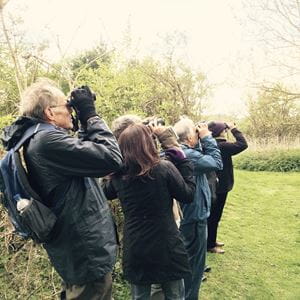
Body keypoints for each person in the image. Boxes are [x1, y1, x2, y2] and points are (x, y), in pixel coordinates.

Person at [2, 78, 123, 299]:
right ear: (49, 112)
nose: (70, 110)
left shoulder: (37, 138)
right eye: (67, 106)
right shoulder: (46, 140)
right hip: (85, 251)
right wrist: (91, 115)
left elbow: (87, 156)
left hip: (77, 248)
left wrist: (83, 122)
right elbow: (111, 159)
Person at [102, 123, 196, 300]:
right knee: (175, 296)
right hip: (167, 244)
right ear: (149, 143)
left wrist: (111, 165)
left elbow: (104, 192)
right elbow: (188, 195)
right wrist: (184, 163)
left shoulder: (119, 177)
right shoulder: (163, 168)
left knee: (140, 297)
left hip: (137, 246)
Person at [173, 118, 223, 300]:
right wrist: (208, 138)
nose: (198, 134)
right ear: (188, 137)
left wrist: (201, 139)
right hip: (193, 217)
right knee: (194, 265)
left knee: (188, 261)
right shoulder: (189, 155)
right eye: (195, 132)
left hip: (187, 215)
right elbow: (217, 163)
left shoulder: (180, 152)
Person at [207, 121, 248, 254]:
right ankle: (210, 244)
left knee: (212, 215)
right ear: (221, 132)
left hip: (215, 185)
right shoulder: (222, 146)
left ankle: (210, 240)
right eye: (225, 129)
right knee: (215, 216)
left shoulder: (211, 144)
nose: (226, 131)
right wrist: (234, 129)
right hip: (220, 187)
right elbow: (243, 144)